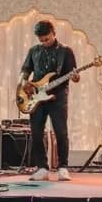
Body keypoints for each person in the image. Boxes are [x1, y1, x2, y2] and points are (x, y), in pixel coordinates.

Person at [19, 20, 79, 182]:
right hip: (37, 97)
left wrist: (75, 77)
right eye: (41, 40)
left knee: (61, 132)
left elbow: (74, 75)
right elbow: (25, 70)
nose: (44, 42)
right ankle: (42, 168)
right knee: (36, 133)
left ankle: (63, 167)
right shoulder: (34, 51)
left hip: (58, 97)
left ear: (54, 33)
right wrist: (23, 82)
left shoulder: (66, 51)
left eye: (47, 38)